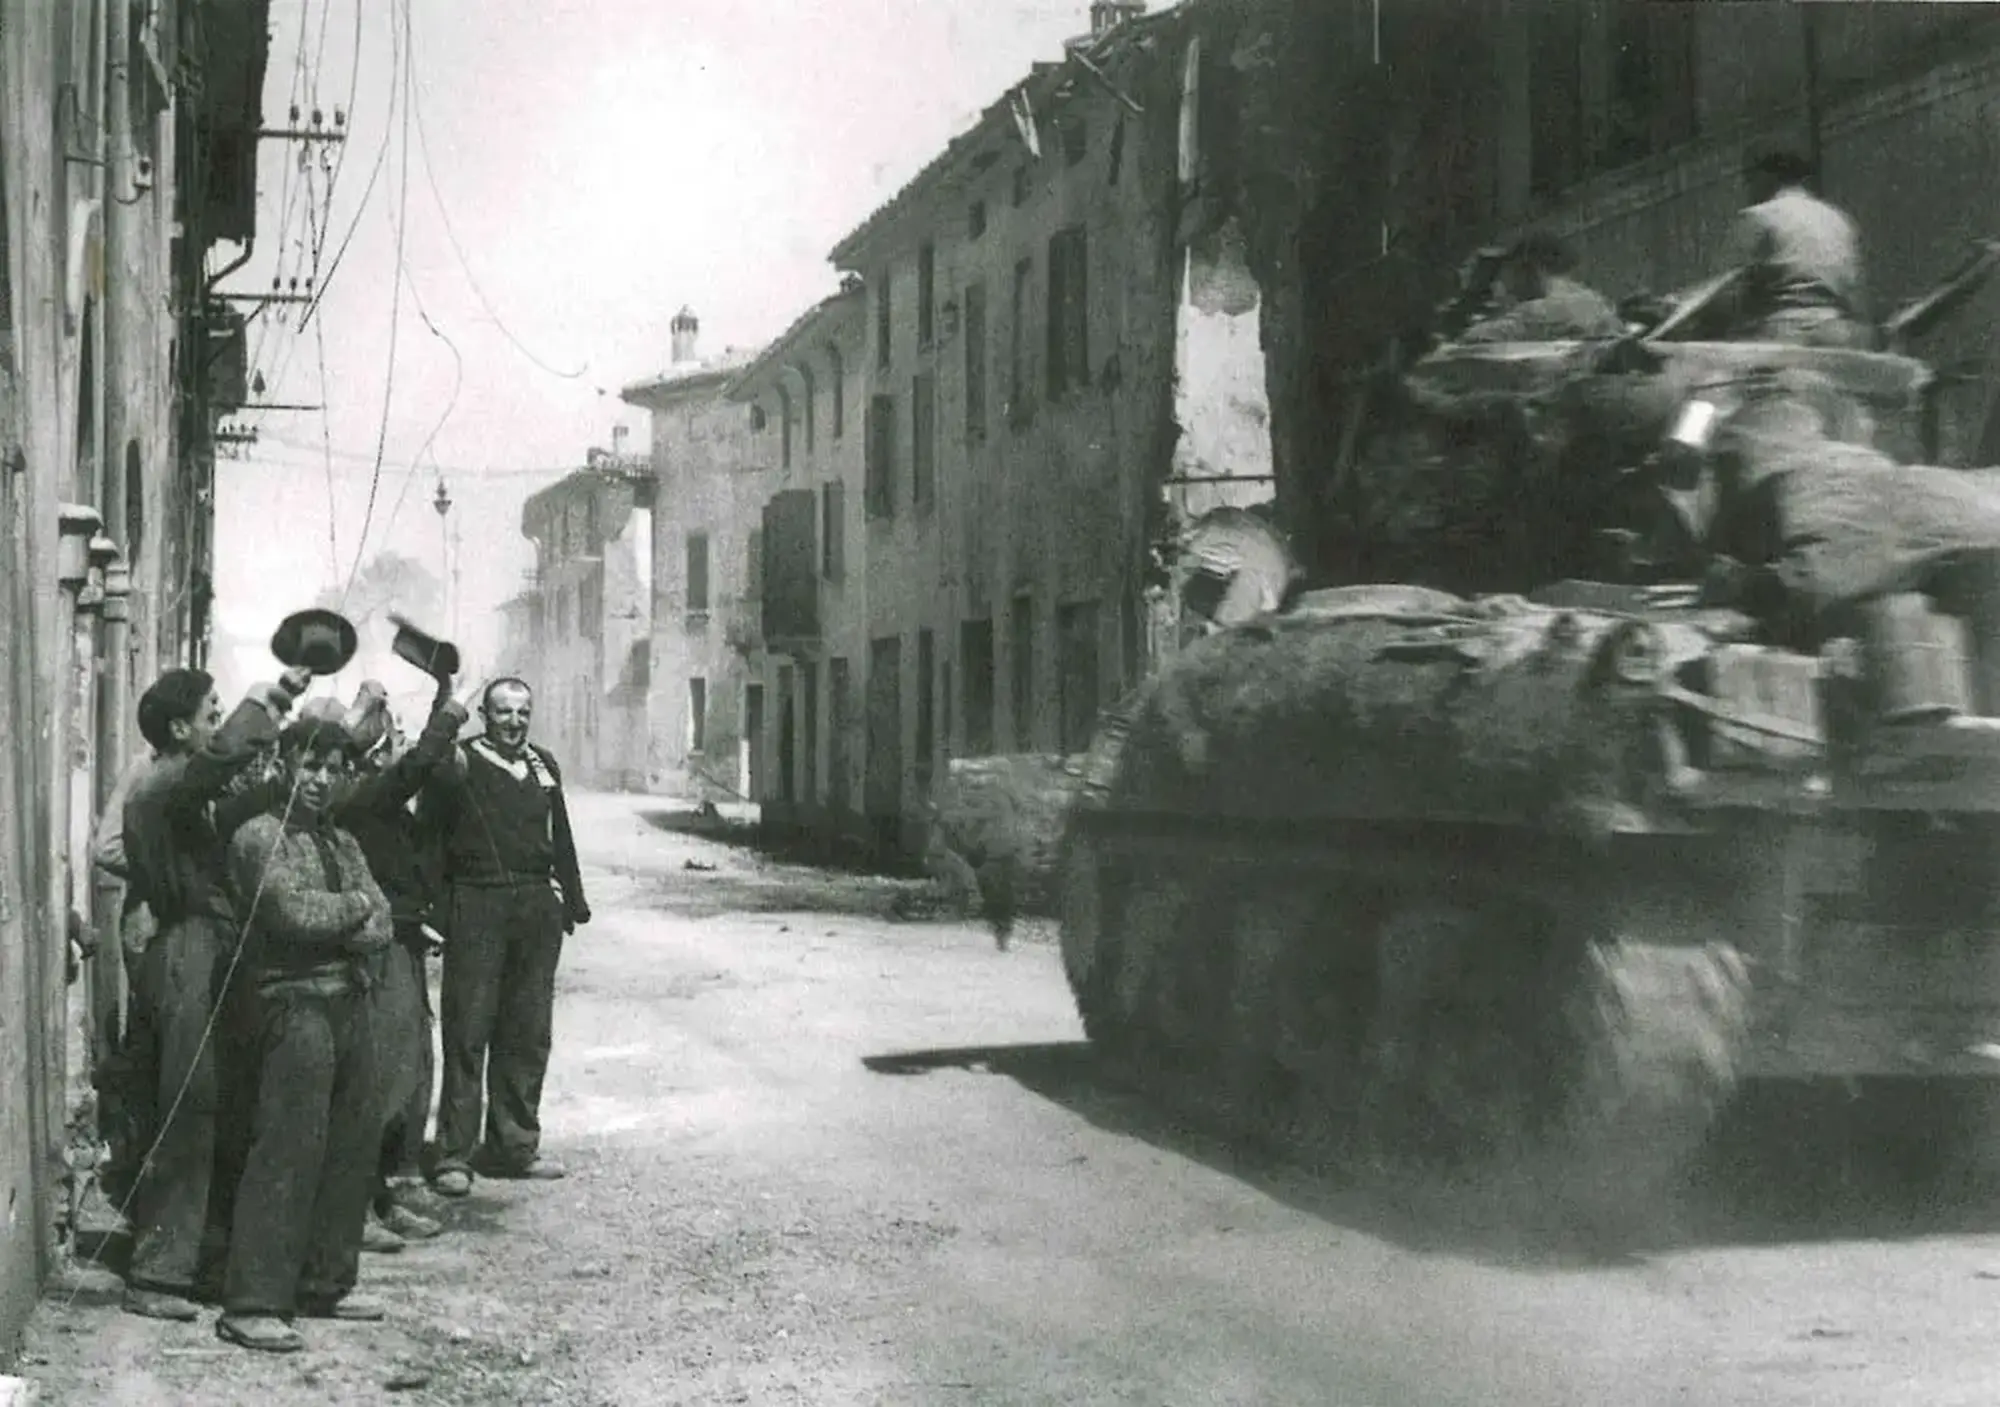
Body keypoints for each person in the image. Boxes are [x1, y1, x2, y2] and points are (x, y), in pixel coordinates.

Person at [114, 665, 311, 1322]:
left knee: (215, 1100)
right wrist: (270, 699)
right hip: (186, 949)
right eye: (210, 712)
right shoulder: (160, 785)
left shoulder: (182, 794)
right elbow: (222, 762)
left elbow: (228, 803)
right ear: (179, 727)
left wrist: (284, 772)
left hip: (208, 948)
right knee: (186, 1106)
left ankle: (193, 1259)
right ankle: (155, 1272)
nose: (216, 723)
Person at [215, 697, 395, 1354]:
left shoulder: (343, 840)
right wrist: (355, 908)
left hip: (347, 1001)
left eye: (335, 767)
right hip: (288, 1006)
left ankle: (324, 1283)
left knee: (350, 1144)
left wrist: (352, 913)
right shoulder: (259, 835)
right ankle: (254, 1299)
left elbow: (386, 921)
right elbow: (290, 912)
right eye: (310, 764)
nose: (321, 778)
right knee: (288, 1145)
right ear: (282, 764)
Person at [420, 678, 589, 1197]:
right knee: (469, 1030)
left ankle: (514, 1146)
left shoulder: (543, 766)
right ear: (484, 716)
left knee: (527, 1031)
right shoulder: (461, 763)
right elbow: (430, 834)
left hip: (535, 908)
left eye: (522, 711)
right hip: (478, 902)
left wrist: (569, 900)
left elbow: (560, 834)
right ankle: (454, 1154)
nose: (514, 721)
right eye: (503, 712)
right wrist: (433, 909)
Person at [340, 678, 471, 1246]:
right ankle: (356, 1210)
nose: (399, 742)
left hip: (406, 940)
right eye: (391, 734)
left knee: (412, 1067)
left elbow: (433, 777)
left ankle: (386, 1191)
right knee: (381, 1076)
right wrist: (448, 715)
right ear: (373, 752)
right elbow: (413, 769)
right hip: (381, 944)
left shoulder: (382, 798)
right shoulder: (364, 795)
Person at [1721, 142, 1870, 348]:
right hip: (1839, 334)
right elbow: (1855, 290)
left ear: (1767, 175)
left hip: (1784, 334)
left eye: (1749, 178)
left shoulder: (1759, 217)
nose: (1747, 186)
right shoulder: (1838, 219)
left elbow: (1729, 289)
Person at [1455, 232, 1624, 345]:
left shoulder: (1538, 311)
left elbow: (1472, 338)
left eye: (1507, 271)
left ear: (1527, 268)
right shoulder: (1596, 301)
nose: (1502, 282)